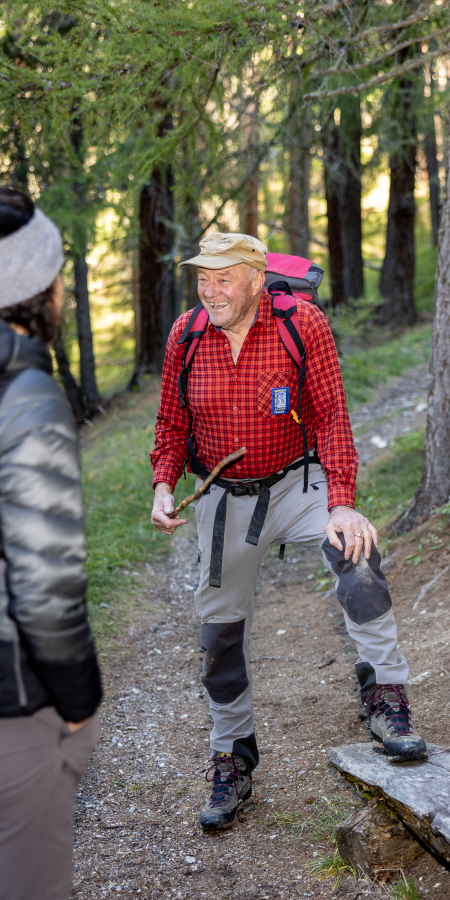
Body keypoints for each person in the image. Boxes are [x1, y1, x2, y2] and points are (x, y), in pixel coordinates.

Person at [151, 232, 426, 833]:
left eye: (224, 277)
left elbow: (331, 416)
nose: (210, 289)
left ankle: (386, 700)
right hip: (225, 496)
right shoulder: (186, 334)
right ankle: (233, 755)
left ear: (254, 277)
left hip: (300, 484)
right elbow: (171, 422)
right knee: (219, 630)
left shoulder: (301, 323)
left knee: (359, 559)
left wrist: (344, 503)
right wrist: (164, 483)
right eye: (203, 276)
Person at [0, 188, 102, 900]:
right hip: (13, 700)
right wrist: (77, 700)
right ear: (42, 287)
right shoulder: (27, 394)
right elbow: (44, 584)